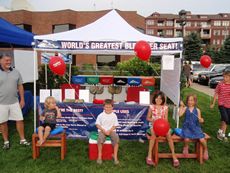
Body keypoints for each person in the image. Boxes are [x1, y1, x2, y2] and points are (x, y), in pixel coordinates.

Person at [0, 53, 30, 149]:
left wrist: (22, 99)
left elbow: (20, 85)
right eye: (6, 60)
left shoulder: (16, 72)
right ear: (1, 61)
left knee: (20, 120)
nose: (9, 62)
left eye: (9, 60)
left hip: (15, 102)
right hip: (1, 103)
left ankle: (22, 140)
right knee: (3, 122)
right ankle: (6, 141)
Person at [146, 91, 179, 167]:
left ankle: (174, 156)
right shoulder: (151, 107)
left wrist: (165, 126)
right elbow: (148, 118)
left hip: (163, 126)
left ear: (163, 100)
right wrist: (153, 120)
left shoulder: (165, 107)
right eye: (157, 98)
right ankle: (149, 155)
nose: (158, 100)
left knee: (169, 136)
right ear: (154, 99)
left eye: (160, 99)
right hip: (153, 125)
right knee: (153, 135)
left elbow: (166, 119)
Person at [179, 94, 208, 160]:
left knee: (202, 139)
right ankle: (186, 147)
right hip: (187, 127)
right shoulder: (185, 108)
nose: (190, 102)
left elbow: (200, 120)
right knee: (186, 139)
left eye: (192, 100)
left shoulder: (197, 110)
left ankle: (205, 149)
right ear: (187, 101)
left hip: (195, 127)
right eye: (189, 100)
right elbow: (180, 115)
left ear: (195, 101)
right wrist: (181, 106)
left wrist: (201, 120)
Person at [95, 99, 119, 165]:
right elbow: (97, 124)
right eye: (106, 107)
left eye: (109, 107)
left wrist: (110, 130)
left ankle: (115, 156)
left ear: (112, 107)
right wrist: (103, 130)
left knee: (116, 139)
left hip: (111, 130)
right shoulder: (100, 115)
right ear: (103, 107)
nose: (108, 108)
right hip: (102, 130)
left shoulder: (114, 115)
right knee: (100, 139)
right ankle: (100, 156)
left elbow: (115, 125)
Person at [210, 70, 230, 141]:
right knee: (226, 119)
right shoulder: (220, 84)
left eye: (227, 77)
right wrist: (213, 103)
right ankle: (220, 132)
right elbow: (216, 93)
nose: (225, 78)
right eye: (224, 77)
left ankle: (222, 134)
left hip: (229, 105)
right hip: (221, 104)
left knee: (225, 120)